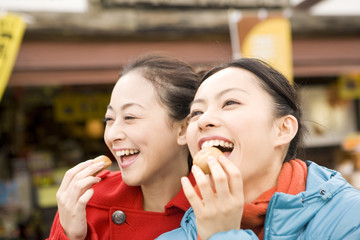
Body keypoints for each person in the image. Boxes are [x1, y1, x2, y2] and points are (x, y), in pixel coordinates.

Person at [157, 58, 360, 240]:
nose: (204, 120)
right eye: (196, 112)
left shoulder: (350, 217)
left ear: (282, 129)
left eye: (229, 102)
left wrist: (222, 236)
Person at [47, 55, 200, 240]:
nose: (112, 135)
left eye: (130, 117)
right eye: (109, 119)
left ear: (184, 129)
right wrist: (71, 236)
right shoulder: (86, 202)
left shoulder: (221, 204)